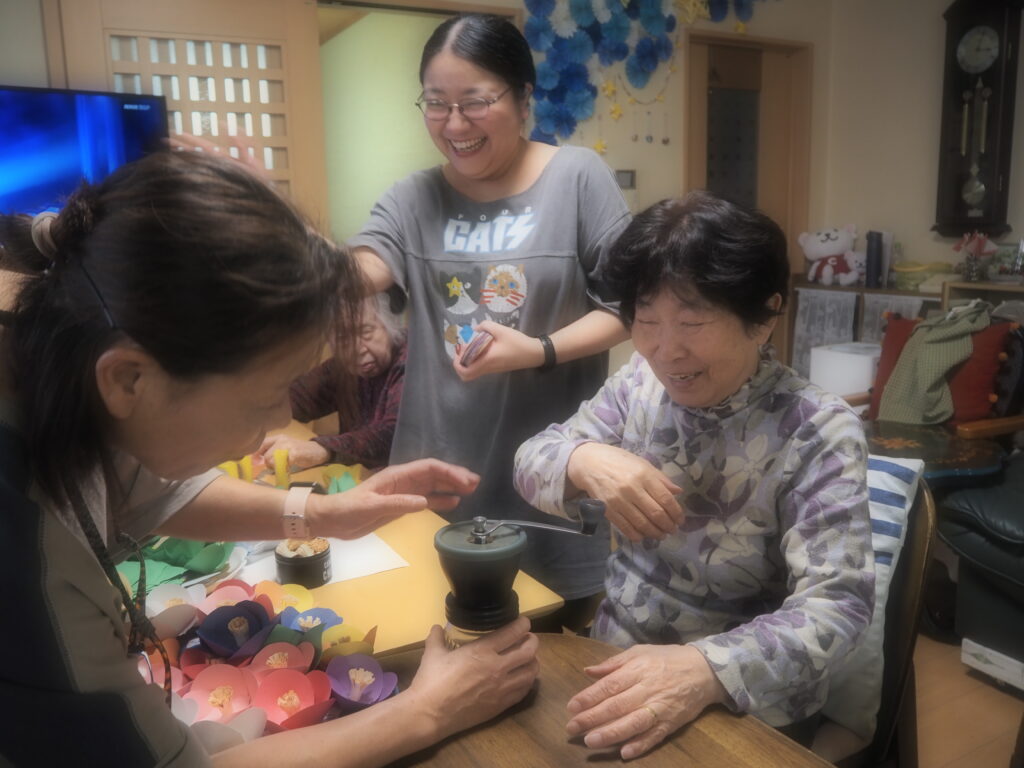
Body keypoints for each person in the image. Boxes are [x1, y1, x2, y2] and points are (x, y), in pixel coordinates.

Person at [0, 150, 538, 767]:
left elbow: (142, 486)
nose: (278, 421)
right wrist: (428, 710)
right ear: (128, 379)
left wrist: (322, 515)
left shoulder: (57, 356)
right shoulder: (26, 549)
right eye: (266, 396)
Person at [514, 191, 874, 759]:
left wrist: (704, 669)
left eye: (692, 322)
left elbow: (839, 606)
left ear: (764, 317)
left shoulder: (816, 428)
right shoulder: (637, 386)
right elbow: (530, 461)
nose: (665, 351)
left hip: (746, 700)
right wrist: (584, 459)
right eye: (646, 320)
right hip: (616, 661)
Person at [352, 13, 632, 625]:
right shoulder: (412, 196)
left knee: (552, 651)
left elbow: (627, 306)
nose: (454, 125)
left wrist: (539, 349)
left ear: (524, 98)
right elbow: (361, 268)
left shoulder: (576, 178)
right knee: (433, 643)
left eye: (475, 102)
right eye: (436, 103)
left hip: (550, 480)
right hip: (437, 476)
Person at [256, 292, 407, 472]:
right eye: (343, 339)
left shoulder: (413, 361)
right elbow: (295, 398)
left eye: (366, 332)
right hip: (358, 478)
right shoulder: (342, 369)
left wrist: (322, 449)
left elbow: (394, 434)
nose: (356, 349)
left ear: (390, 325)